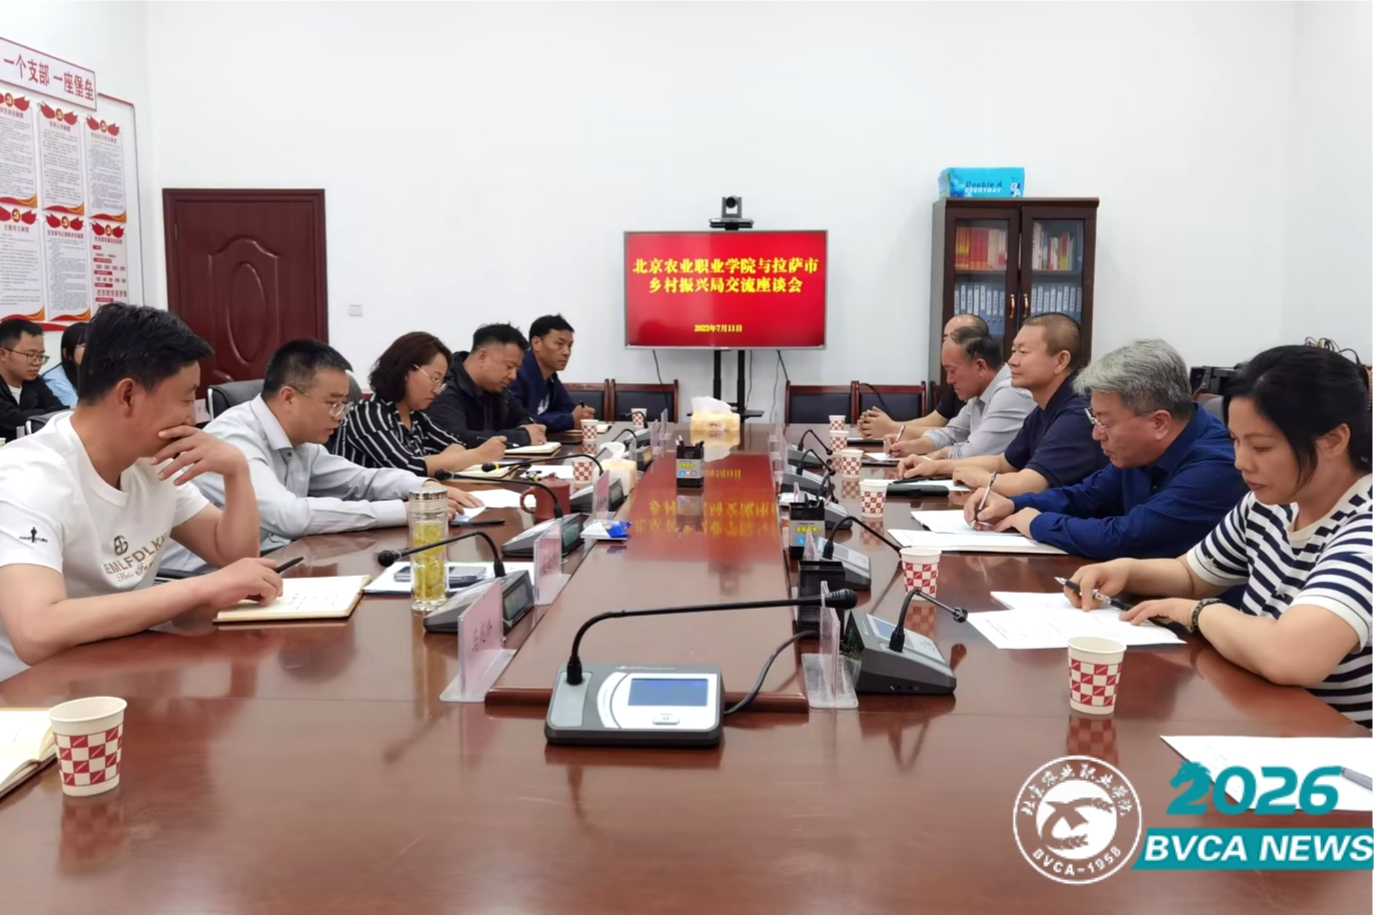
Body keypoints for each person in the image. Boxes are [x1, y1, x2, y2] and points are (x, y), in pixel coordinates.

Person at [1068, 346, 1371, 727]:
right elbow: (1193, 574)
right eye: (1236, 441)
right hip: (1263, 716)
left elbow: (1291, 656)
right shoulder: (1271, 503)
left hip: (1338, 742)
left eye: (1261, 446)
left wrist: (1197, 612)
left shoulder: (1364, 526)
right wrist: (1127, 571)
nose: (1241, 461)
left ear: (1333, 440)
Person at [0, 303, 276, 681]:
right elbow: (36, 632)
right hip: (39, 693)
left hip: (127, 671)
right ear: (128, 395)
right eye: (186, 400)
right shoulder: (27, 477)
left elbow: (234, 556)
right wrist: (200, 589)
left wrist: (237, 471)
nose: (192, 418)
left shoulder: (151, 461)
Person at [161, 340, 481, 572]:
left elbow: (360, 480)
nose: (340, 415)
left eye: (344, 404)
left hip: (273, 563)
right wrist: (406, 510)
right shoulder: (234, 437)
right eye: (333, 404)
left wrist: (423, 487)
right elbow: (289, 516)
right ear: (289, 397)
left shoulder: (303, 442)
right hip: (200, 580)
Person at [965, 339, 1249, 559]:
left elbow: (1128, 537)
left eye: (1105, 421)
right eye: (1094, 419)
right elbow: (1085, 496)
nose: (1096, 433)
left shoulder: (1217, 466)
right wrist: (1014, 504)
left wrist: (1038, 523)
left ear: (1159, 422)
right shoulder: (1140, 452)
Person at [899, 314, 1104, 496]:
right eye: (1013, 350)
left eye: (1023, 352)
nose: (1012, 361)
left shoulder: (1077, 414)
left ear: (1060, 360)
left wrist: (980, 478)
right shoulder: (1042, 409)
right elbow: (1004, 462)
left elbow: (1028, 484)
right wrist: (933, 466)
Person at [332, 332, 506, 475]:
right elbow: (407, 469)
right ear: (405, 370)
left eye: (441, 382)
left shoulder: (415, 416)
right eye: (434, 379)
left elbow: (456, 445)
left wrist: (434, 463)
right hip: (369, 505)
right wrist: (477, 456)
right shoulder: (369, 414)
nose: (437, 390)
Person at [888, 327, 1033, 459]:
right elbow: (952, 434)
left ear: (980, 366)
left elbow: (975, 452)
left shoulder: (1010, 392)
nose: (949, 380)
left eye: (952, 371)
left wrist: (940, 454)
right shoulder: (979, 392)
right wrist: (911, 446)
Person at [858, 314, 987, 439]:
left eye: (955, 338)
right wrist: (889, 426)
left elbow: (956, 435)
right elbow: (939, 423)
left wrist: (892, 428)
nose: (949, 379)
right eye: (945, 339)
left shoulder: (992, 392)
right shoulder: (959, 383)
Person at [427, 323, 547, 447]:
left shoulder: (498, 389)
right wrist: (520, 436)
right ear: (482, 357)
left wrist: (529, 429)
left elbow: (523, 418)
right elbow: (455, 439)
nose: (513, 376)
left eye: (517, 369)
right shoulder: (444, 390)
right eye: (509, 366)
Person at [511, 314, 595, 433]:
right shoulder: (517, 373)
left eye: (570, 346)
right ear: (536, 343)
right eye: (559, 344)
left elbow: (567, 409)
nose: (566, 352)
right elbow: (520, 421)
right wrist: (568, 419)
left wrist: (580, 414)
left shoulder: (551, 376)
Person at [0, 318, 65, 439]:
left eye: (40, 356)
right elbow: (13, 419)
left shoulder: (35, 382)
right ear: (3, 354)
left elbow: (59, 413)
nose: (37, 363)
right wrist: (44, 414)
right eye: (30, 355)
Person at [41, 322, 87, 407]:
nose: (92, 350)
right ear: (66, 353)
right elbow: (75, 411)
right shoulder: (55, 381)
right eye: (84, 346)